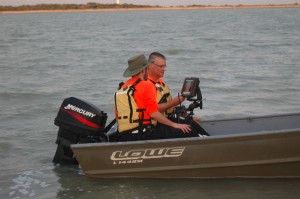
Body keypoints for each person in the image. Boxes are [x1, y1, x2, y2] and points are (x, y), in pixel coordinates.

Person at [114, 54, 198, 142]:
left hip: (124, 135)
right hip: (143, 133)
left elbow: (118, 115)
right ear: (144, 70)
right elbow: (153, 113)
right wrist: (175, 125)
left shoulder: (123, 88)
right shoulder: (146, 84)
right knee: (189, 130)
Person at [147, 52, 209, 136]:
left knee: (192, 123)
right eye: (161, 66)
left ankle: (210, 141)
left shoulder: (159, 81)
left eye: (165, 66)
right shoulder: (146, 84)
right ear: (151, 65)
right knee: (188, 130)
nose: (164, 69)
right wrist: (174, 102)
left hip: (167, 118)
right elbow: (153, 111)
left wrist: (188, 117)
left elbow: (169, 108)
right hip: (155, 123)